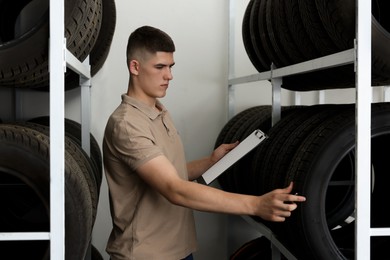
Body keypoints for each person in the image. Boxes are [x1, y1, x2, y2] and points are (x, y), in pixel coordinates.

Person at [102, 25, 306, 260]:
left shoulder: (158, 111)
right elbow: (173, 189)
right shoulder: (127, 124)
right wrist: (256, 205)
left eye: (170, 66)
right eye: (159, 67)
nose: (169, 76)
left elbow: (169, 173)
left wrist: (210, 162)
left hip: (178, 250)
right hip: (146, 255)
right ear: (135, 67)